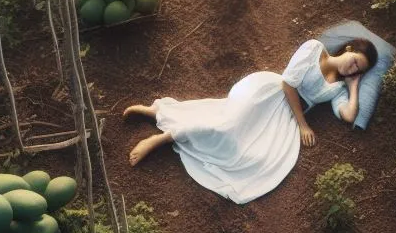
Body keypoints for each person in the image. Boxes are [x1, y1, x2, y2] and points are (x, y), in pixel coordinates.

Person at [122, 38, 378, 204]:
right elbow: (288, 84)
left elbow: (348, 115)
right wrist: (303, 125)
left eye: (358, 70)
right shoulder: (314, 49)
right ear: (348, 49)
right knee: (226, 124)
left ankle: (163, 119)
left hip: (282, 119)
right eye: (354, 62)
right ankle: (162, 134)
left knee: (250, 156)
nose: (352, 69)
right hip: (270, 93)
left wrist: (354, 88)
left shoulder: (339, 89)